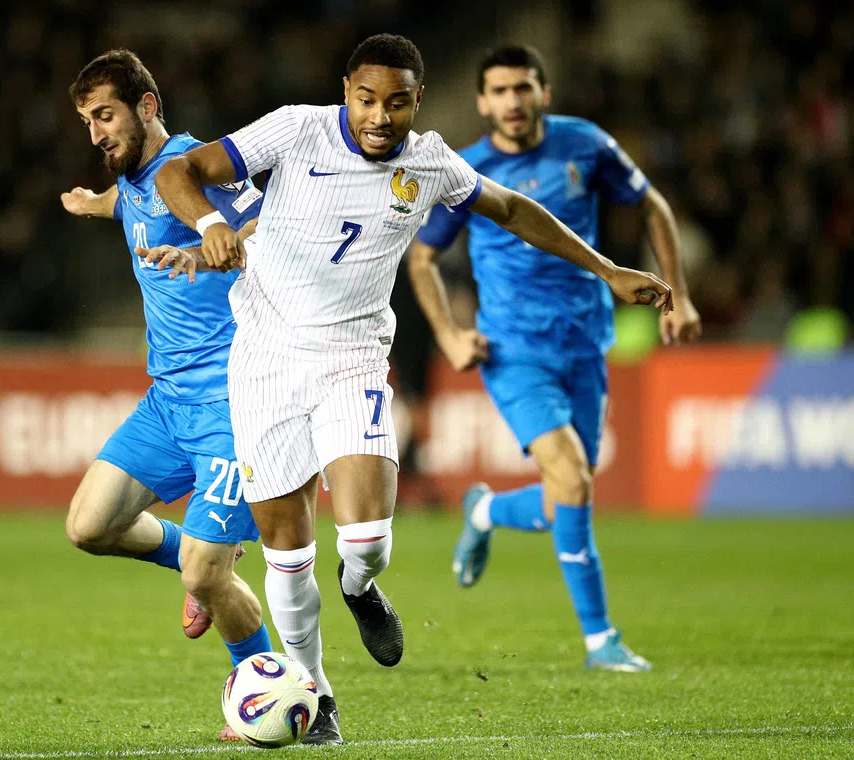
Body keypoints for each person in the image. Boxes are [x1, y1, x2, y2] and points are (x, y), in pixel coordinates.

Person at [150, 34, 672, 745]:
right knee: (286, 551)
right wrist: (209, 222)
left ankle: (360, 587)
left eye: (397, 103)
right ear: (346, 92)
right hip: (265, 363)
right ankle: (319, 698)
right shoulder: (296, 129)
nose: (379, 117)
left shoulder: (429, 161)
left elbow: (514, 211)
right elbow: (181, 171)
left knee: (366, 541)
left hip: (353, 361)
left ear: (416, 101)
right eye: (367, 99)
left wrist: (608, 269)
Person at [408, 45, 702, 672]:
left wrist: (679, 295)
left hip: (586, 344)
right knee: (572, 477)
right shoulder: (466, 171)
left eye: (523, 88)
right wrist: (451, 335)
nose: (512, 101)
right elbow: (422, 257)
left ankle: (484, 510)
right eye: (499, 91)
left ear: (544, 92)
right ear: (482, 101)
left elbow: (652, 206)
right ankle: (601, 640)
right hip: (512, 351)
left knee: (568, 491)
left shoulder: (586, 145)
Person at [59, 50, 271, 741]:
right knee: (88, 526)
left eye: (105, 115)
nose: (95, 133)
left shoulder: (194, 165)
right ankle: (195, 554)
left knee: (208, 574)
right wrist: (98, 205)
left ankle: (265, 689)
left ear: (146, 107)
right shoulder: (136, 179)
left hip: (231, 405)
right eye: (88, 121)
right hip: (166, 403)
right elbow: (134, 201)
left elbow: (263, 221)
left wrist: (228, 238)